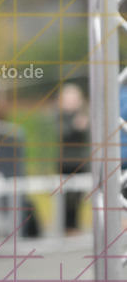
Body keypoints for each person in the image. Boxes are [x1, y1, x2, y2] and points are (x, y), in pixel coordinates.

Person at [56, 83, 90, 232]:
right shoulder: (59, 116)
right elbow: (62, 134)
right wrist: (76, 127)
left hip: (81, 162)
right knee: (66, 199)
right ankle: (66, 226)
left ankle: (74, 226)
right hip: (65, 163)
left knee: (78, 198)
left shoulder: (84, 115)